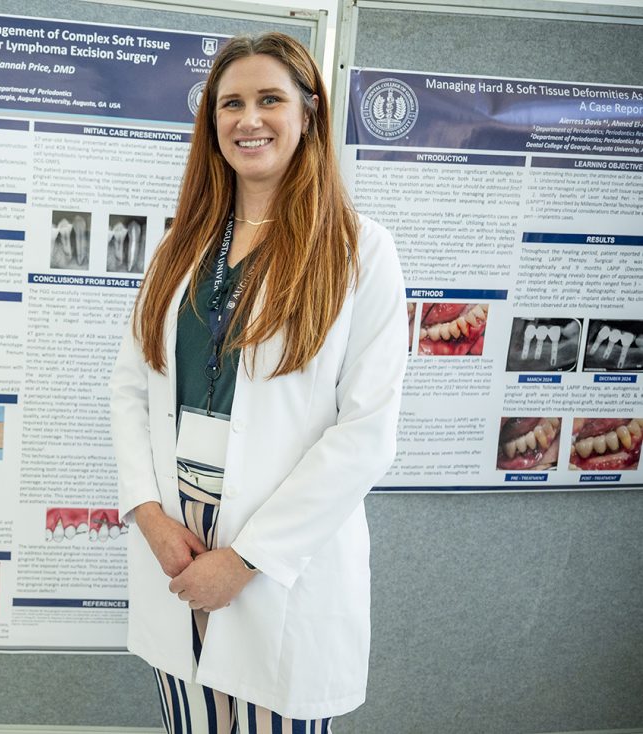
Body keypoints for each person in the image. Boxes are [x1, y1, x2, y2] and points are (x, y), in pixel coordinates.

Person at [109, 32, 407, 733]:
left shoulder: (360, 252)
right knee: (190, 720)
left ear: (308, 113)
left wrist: (245, 560)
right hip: (177, 530)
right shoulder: (180, 247)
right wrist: (149, 516)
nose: (248, 119)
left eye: (269, 99)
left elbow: (366, 432)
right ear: (211, 124)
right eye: (230, 103)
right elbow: (129, 388)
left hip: (278, 546)